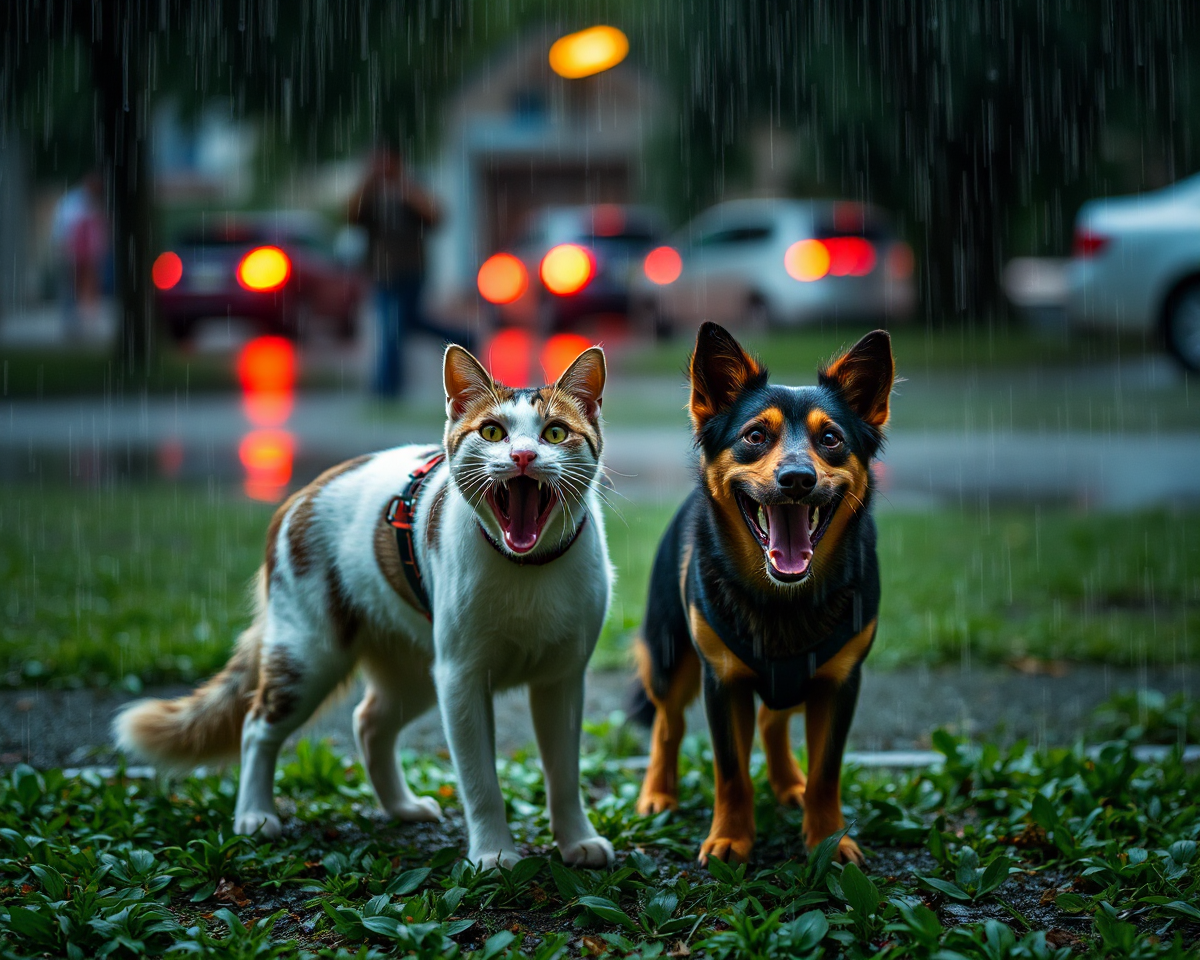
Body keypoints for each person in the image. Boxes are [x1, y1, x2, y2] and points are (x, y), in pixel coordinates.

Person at [349, 142, 459, 397]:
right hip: (381, 272)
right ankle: (459, 338)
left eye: (386, 160)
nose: (381, 166)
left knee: (396, 325)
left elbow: (436, 217)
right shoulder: (372, 193)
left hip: (411, 270)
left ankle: (386, 388)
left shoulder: (411, 186)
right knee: (400, 324)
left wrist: (404, 187)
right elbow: (351, 216)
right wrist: (367, 183)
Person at [50, 172, 108, 338]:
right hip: (75, 253)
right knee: (74, 288)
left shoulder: (86, 203)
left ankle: (81, 322)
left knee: (84, 288)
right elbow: (65, 230)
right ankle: (74, 323)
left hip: (84, 254)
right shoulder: (75, 203)